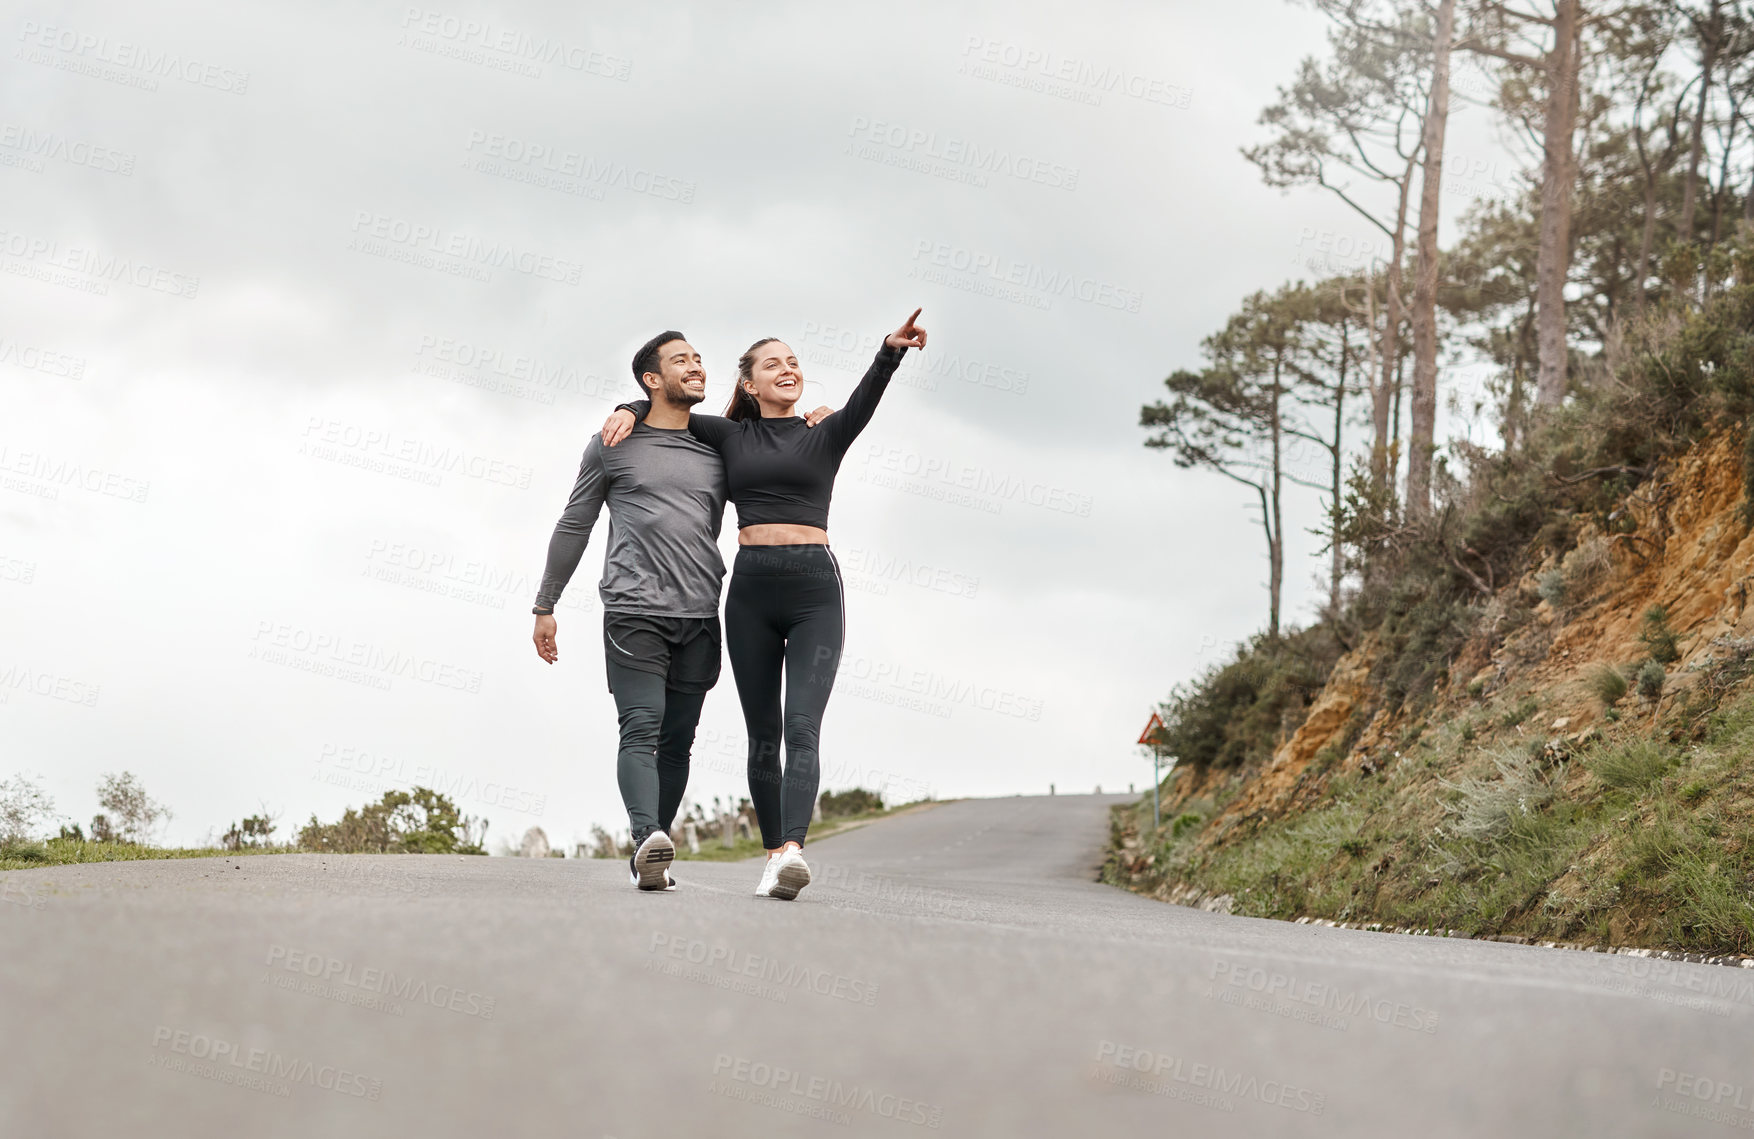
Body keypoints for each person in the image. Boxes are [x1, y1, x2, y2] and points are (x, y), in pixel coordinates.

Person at [603, 308, 928, 900]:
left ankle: (792, 852)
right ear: (749, 385)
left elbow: (868, 397)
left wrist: (890, 350)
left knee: (803, 724)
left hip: (814, 593)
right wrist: (627, 408)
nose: (788, 369)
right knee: (763, 735)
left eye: (794, 362)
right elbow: (667, 409)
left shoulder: (826, 431)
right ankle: (770, 851)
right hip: (749, 593)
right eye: (772, 363)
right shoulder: (728, 435)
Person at [532, 331, 833, 891]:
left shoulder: (719, 447)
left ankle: (655, 853)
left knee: (678, 740)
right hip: (632, 606)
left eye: (698, 358)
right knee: (641, 725)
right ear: (651, 379)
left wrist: (811, 419)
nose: (696, 366)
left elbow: (775, 453)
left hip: (700, 611)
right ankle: (647, 832)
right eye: (681, 361)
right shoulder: (611, 442)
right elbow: (576, 522)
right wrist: (545, 603)